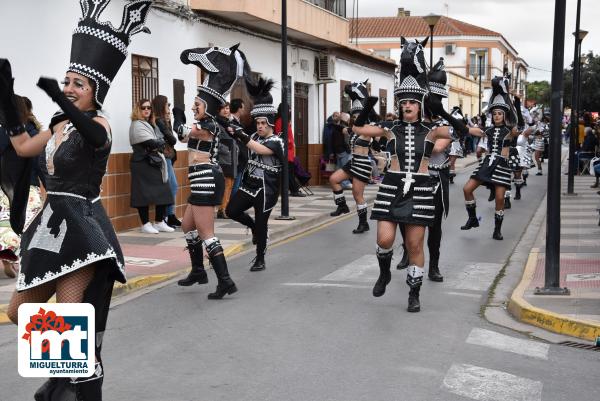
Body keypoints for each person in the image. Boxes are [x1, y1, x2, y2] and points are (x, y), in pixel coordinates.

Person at [1, 1, 153, 397]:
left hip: (83, 231)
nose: (68, 88)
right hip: (51, 227)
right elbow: (21, 147)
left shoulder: (99, 125)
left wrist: (64, 103)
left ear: (94, 93)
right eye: (66, 81)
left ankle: (78, 383)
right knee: (19, 311)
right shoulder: (57, 125)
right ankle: (68, 372)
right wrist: (4, 97)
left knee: (71, 316)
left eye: (77, 85)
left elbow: (96, 138)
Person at [352, 42, 462, 312]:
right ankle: (385, 272)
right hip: (392, 187)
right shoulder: (389, 128)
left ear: (420, 104)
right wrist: (367, 105)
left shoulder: (432, 130)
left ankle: (414, 293)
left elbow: (460, 131)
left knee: (414, 244)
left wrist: (443, 111)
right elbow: (357, 127)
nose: (408, 106)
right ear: (399, 105)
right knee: (384, 240)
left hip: (422, 189)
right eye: (404, 102)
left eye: (413, 101)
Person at [173, 44, 248, 296]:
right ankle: (198, 271)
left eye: (197, 103)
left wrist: (177, 119)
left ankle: (225, 280)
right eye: (194, 103)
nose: (194, 106)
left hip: (206, 179)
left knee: (207, 233)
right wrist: (181, 119)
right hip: (197, 179)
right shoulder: (204, 122)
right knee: (186, 226)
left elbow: (184, 133)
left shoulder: (212, 124)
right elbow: (185, 139)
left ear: (207, 105)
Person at [226, 78, 284, 271]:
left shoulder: (277, 141)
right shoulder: (252, 136)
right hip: (250, 184)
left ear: (269, 123)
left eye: (262, 123)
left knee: (262, 222)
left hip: (266, 189)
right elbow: (249, 143)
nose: (259, 126)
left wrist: (239, 134)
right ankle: (252, 227)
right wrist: (231, 130)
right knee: (231, 211)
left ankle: (260, 258)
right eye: (257, 122)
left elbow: (259, 149)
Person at [461, 76, 521, 241]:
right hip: (487, 163)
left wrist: (517, 106)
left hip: (502, 165)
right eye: (494, 113)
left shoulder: (509, 131)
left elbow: (520, 127)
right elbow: (470, 133)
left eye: (499, 114)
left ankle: (497, 230)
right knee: (467, 189)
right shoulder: (486, 131)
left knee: (500, 199)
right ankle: (472, 219)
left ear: (504, 115)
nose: (496, 116)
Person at [328, 80, 376, 234]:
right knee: (334, 179)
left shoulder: (368, 129)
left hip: (362, 164)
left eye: (357, 115)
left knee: (357, 195)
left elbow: (354, 130)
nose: (354, 118)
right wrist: (334, 123)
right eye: (353, 116)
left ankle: (364, 223)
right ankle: (342, 206)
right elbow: (340, 128)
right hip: (353, 161)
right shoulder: (353, 129)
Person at [129, 99, 175, 234]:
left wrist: (159, 142)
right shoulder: (137, 125)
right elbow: (153, 143)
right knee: (142, 194)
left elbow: (159, 142)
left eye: (149, 108)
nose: (147, 110)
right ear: (138, 109)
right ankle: (145, 224)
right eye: (143, 108)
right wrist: (160, 142)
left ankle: (159, 222)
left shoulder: (150, 124)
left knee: (164, 190)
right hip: (142, 162)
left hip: (153, 162)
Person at [153, 94, 181, 227]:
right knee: (171, 186)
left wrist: (169, 121)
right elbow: (173, 140)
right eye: (167, 105)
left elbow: (172, 139)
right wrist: (167, 122)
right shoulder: (158, 121)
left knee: (172, 186)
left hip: (168, 156)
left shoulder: (163, 120)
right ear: (161, 105)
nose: (168, 107)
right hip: (163, 156)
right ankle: (167, 216)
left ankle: (170, 215)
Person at [275, 102, 305, 197]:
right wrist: (288, 141)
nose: (289, 111)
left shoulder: (285, 121)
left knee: (290, 171)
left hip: (290, 150)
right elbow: (279, 135)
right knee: (289, 172)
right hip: (286, 150)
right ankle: (294, 190)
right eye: (288, 109)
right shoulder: (280, 121)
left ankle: (293, 189)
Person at [216, 102, 237, 218]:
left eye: (227, 108)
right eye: (223, 108)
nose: (225, 110)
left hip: (231, 156)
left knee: (231, 183)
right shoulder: (218, 123)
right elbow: (216, 140)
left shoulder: (228, 122)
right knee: (226, 183)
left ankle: (226, 208)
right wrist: (226, 150)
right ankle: (222, 209)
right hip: (224, 157)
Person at [230, 98, 247, 196]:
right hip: (236, 158)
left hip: (241, 159)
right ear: (239, 108)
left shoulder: (238, 122)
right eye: (243, 107)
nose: (244, 110)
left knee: (239, 185)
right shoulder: (231, 122)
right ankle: (233, 209)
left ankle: (236, 208)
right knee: (235, 186)